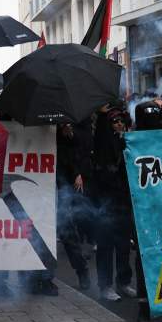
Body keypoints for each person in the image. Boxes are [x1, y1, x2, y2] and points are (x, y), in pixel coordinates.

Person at [91, 104, 134, 301]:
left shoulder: (130, 143)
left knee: (124, 245)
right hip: (105, 203)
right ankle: (105, 285)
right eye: (114, 122)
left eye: (121, 122)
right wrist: (101, 117)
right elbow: (100, 137)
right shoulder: (103, 143)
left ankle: (123, 282)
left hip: (124, 201)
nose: (118, 125)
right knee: (106, 246)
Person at [57, 120, 93, 291]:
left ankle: (82, 270)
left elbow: (75, 151)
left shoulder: (66, 128)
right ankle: (39, 277)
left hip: (60, 182)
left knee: (67, 230)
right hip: (40, 181)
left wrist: (67, 136)